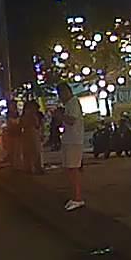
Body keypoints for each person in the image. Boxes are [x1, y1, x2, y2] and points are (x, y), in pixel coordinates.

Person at [54, 82, 85, 210]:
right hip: (69, 140)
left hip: (74, 141)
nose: (60, 97)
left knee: (73, 169)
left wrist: (60, 116)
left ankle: (77, 198)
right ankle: (74, 196)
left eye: (60, 94)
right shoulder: (68, 104)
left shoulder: (73, 103)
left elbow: (72, 120)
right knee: (70, 169)